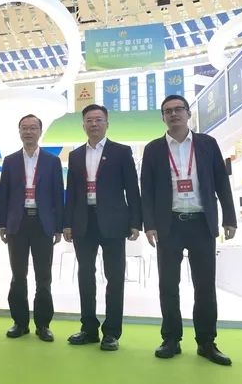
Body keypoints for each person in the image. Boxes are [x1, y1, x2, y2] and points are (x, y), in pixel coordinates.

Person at [141, 95, 236, 366]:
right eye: (167, 111)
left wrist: (229, 218)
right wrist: (150, 224)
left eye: (178, 109)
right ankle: (171, 339)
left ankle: (206, 342)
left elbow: (221, 182)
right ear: (163, 117)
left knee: (205, 286)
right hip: (169, 224)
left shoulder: (207, 144)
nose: (173, 114)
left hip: (201, 224)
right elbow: (146, 189)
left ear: (188, 113)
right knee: (168, 285)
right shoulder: (153, 149)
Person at [63, 104, 141, 351]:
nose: (94, 124)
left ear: (107, 123)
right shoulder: (75, 155)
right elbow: (71, 192)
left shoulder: (121, 152)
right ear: (83, 125)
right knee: (85, 276)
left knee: (115, 278)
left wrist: (135, 222)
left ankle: (111, 332)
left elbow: (132, 189)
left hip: (114, 223)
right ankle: (88, 329)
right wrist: (67, 223)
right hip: (83, 222)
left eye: (98, 119)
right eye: (89, 120)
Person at [0, 114, 64, 342]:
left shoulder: (52, 161)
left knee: (43, 277)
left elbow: (58, 194)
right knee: (18, 275)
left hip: (43, 223)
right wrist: (2, 223)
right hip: (17, 223)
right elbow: (3, 194)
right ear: (19, 132)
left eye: (33, 128)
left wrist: (58, 226)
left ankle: (43, 324)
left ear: (40, 131)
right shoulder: (10, 161)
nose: (28, 132)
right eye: (24, 128)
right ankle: (20, 322)